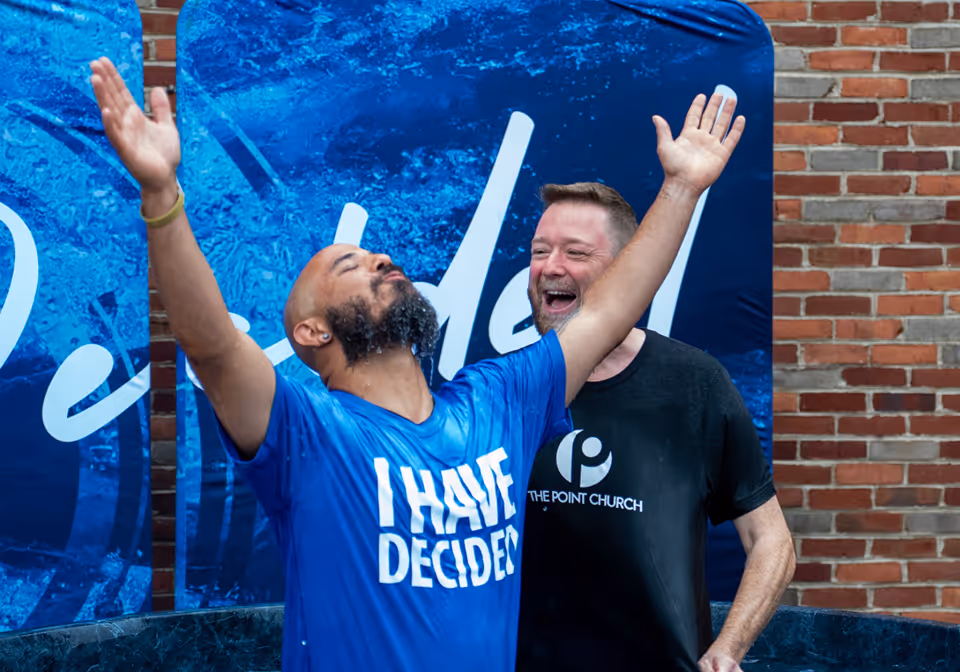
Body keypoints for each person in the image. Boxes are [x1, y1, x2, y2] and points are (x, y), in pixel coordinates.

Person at [88, 55, 745, 672]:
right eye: (350, 266)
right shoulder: (307, 433)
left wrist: (683, 187)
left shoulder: (499, 401)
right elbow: (212, 345)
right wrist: (162, 195)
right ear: (312, 332)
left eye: (380, 258)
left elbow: (606, 312)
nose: (380, 261)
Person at [515, 181, 796, 672]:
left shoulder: (695, 384)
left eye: (574, 252)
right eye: (540, 251)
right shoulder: (505, 390)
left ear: (629, 271)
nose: (550, 267)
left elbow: (771, 540)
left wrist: (728, 650)